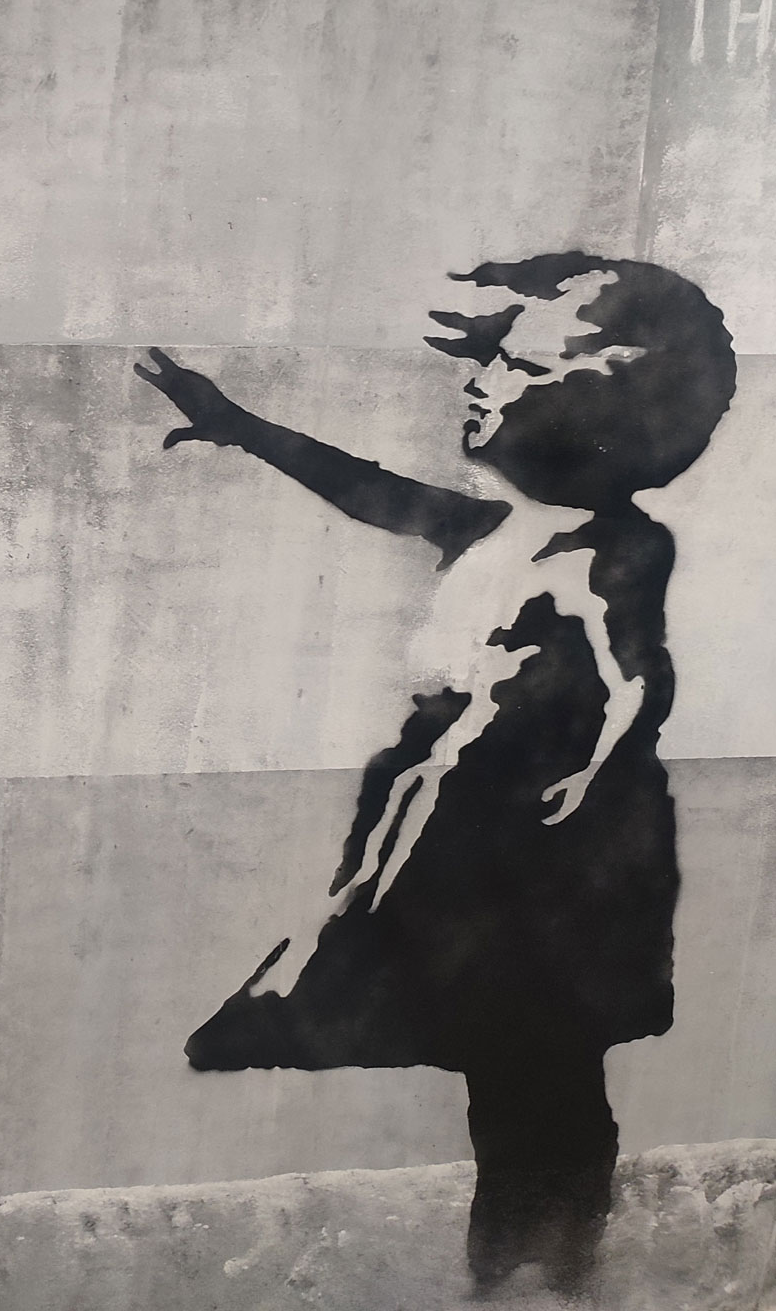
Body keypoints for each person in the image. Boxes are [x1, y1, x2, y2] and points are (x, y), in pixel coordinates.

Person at [137, 254, 736, 1296]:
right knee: (513, 1081)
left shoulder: (610, 547)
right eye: (492, 358)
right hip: (482, 827)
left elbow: (640, 677)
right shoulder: (496, 531)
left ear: (599, 403)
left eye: (519, 365)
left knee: (540, 1079)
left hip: (547, 847)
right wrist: (238, 424)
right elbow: (370, 491)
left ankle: (543, 1273)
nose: (482, 381)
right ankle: (523, 1271)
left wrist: (585, 768)